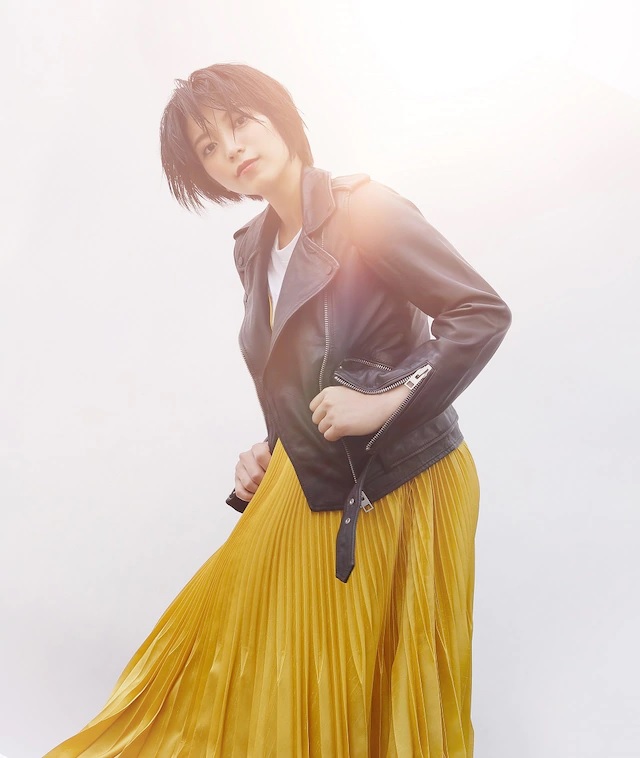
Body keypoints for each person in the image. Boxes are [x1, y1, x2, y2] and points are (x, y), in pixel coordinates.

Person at [45, 63, 511, 757]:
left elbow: (480, 313)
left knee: (371, 681)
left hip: (404, 478)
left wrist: (385, 401)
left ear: (279, 116)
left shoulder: (364, 210)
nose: (230, 148)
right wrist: (270, 444)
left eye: (240, 122)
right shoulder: (253, 249)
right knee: (224, 652)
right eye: (207, 146)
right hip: (317, 476)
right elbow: (299, 367)